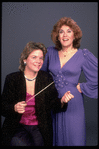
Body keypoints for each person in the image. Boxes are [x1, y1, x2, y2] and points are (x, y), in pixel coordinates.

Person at [1, 41, 74, 146]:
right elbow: (3, 107)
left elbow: (53, 104)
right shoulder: (12, 79)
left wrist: (62, 101)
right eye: (34, 57)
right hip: (17, 127)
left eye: (41, 58)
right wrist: (14, 108)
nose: (38, 61)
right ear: (25, 60)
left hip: (39, 127)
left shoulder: (46, 78)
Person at [41, 17, 98, 146]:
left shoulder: (83, 55)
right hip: (54, 100)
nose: (65, 35)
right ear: (57, 36)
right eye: (61, 31)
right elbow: (41, 76)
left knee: (74, 137)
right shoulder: (50, 52)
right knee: (55, 136)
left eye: (69, 31)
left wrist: (82, 86)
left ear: (75, 35)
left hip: (73, 101)